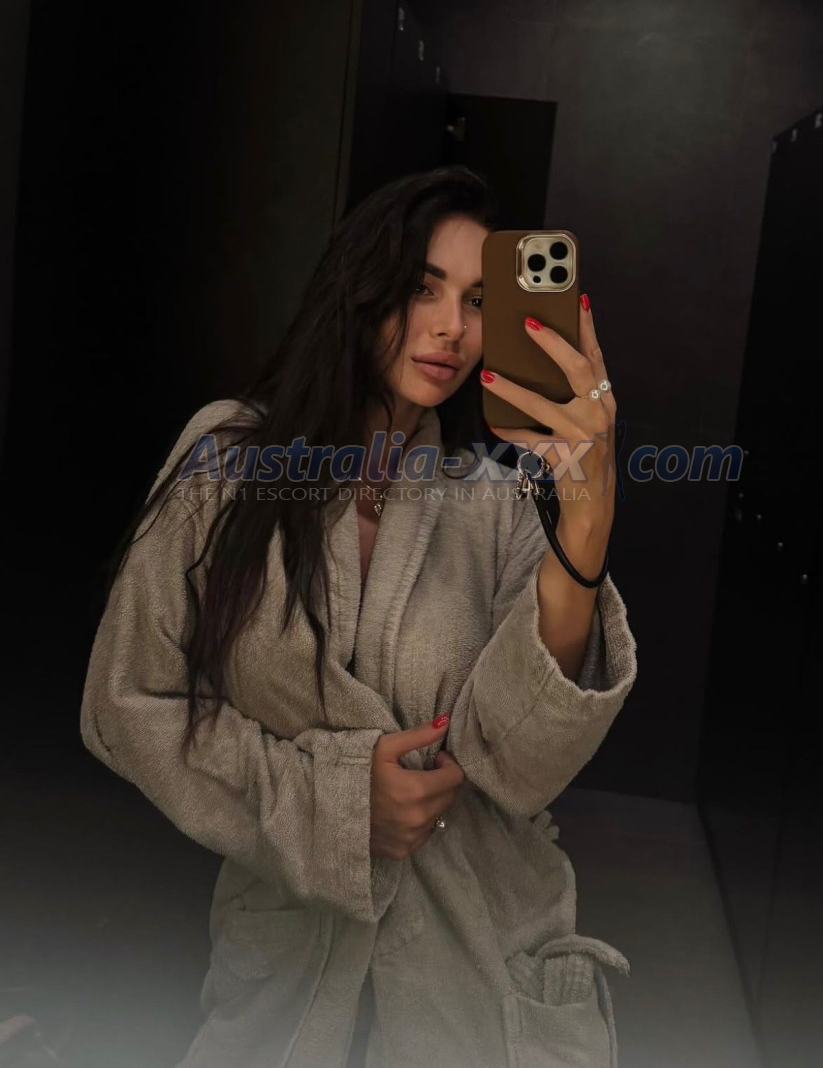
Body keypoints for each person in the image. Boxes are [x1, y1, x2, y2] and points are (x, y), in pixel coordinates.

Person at [80, 164, 638, 1068]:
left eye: (479, 300)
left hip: (481, 967)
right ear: (361, 284)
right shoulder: (229, 460)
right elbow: (125, 703)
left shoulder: (498, 502)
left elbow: (524, 762)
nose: (451, 327)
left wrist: (586, 522)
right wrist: (333, 807)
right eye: (422, 287)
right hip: (287, 969)